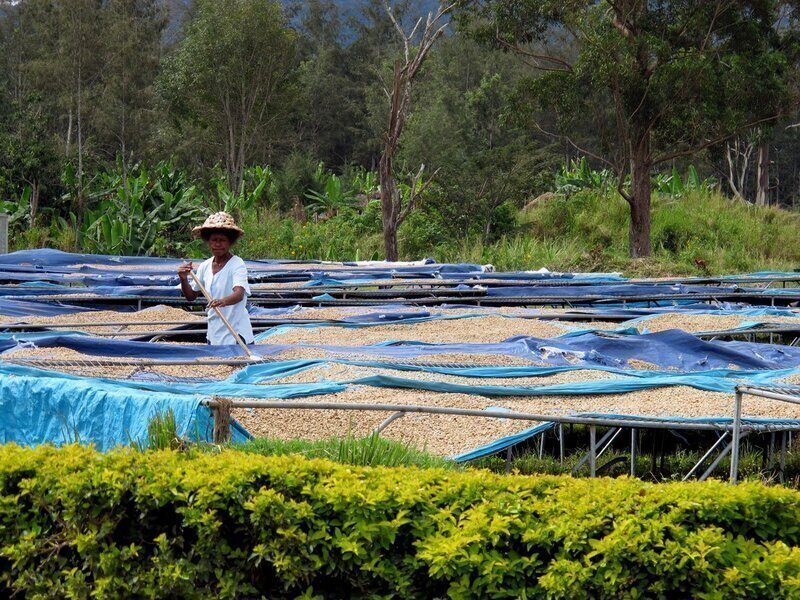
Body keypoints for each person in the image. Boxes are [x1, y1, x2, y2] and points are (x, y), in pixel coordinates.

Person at [178, 212, 254, 345]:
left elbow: (239, 294)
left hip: (236, 332)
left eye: (222, 240)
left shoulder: (237, 264)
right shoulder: (205, 266)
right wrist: (183, 279)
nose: (218, 244)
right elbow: (191, 296)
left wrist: (222, 301)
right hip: (214, 333)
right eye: (214, 240)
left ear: (230, 242)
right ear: (208, 241)